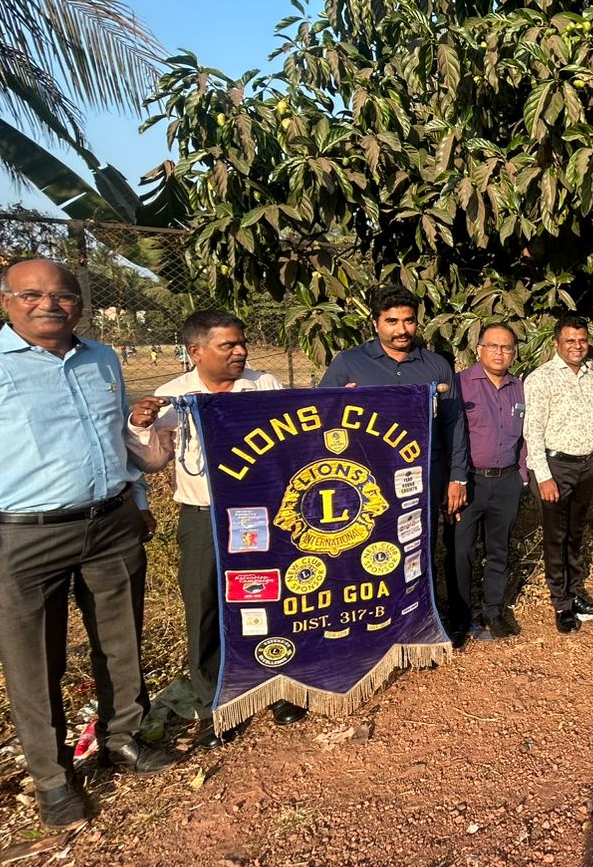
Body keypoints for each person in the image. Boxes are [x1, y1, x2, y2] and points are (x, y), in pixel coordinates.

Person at [0, 258, 174, 829]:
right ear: (6, 300)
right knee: (35, 661)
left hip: (110, 524)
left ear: (78, 304)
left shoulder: (101, 358)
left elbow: (114, 438)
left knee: (121, 641)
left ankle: (124, 739)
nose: (49, 305)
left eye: (62, 295)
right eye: (32, 294)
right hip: (22, 537)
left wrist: (135, 504)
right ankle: (54, 778)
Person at [125, 309, 307, 740]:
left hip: (262, 515)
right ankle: (215, 703)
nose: (240, 351)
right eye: (228, 345)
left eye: (242, 343)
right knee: (205, 608)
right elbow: (152, 462)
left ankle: (277, 686)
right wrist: (141, 427)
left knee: (269, 599)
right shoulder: (172, 395)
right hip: (202, 516)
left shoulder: (264, 386)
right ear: (196, 352)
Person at [319, 285, 471, 592]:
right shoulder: (349, 363)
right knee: (367, 549)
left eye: (409, 320)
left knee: (419, 545)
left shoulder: (437, 366)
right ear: (375, 323)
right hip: (367, 479)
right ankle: (373, 617)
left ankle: (418, 614)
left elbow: (454, 424)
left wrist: (458, 477)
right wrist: (337, 404)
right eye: (392, 321)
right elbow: (318, 419)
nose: (402, 330)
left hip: (422, 477)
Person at [523, 316, 593, 634]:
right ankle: (561, 604)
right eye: (570, 340)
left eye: (582, 340)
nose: (577, 346)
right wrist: (543, 475)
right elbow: (532, 432)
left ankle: (574, 595)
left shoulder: (591, 378)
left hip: (586, 466)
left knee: (575, 535)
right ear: (557, 344)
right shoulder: (540, 379)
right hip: (555, 467)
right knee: (556, 537)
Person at [449, 322, 527, 643]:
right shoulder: (460, 384)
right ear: (479, 349)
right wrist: (451, 481)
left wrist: (521, 476)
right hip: (468, 483)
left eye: (506, 347)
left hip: (506, 482)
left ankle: (492, 611)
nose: (499, 352)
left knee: (498, 550)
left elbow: (526, 437)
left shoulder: (519, 388)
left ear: (513, 353)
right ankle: (459, 617)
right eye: (493, 346)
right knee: (460, 551)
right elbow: (447, 436)